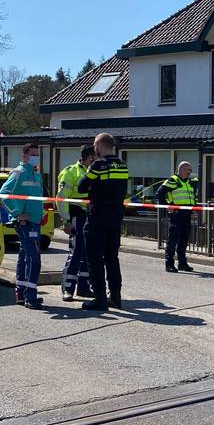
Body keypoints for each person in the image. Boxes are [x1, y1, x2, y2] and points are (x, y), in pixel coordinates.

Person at [79, 133, 130, 311]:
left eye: (95, 145)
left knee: (95, 259)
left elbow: (81, 186)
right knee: (112, 258)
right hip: (115, 218)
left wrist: (93, 181)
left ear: (100, 145)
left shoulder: (98, 165)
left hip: (97, 217)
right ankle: (115, 297)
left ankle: (100, 298)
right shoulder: (122, 165)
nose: (94, 148)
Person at [0, 143, 45, 309]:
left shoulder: (36, 175)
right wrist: (17, 213)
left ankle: (22, 293)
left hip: (34, 221)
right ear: (25, 155)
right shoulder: (19, 172)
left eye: (37, 154)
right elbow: (3, 195)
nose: (36, 157)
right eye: (33, 154)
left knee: (24, 256)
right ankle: (30, 296)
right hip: (25, 223)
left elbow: (36, 197)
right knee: (34, 259)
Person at [56, 146, 97, 302]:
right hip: (76, 217)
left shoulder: (93, 172)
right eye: (94, 158)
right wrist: (66, 221)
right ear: (90, 158)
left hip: (89, 217)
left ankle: (84, 287)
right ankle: (68, 288)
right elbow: (61, 197)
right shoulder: (71, 172)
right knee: (76, 252)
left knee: (88, 253)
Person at [157, 161, 198, 273]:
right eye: (188, 169)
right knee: (173, 240)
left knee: (184, 240)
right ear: (181, 169)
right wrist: (167, 206)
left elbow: (191, 197)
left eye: (190, 170)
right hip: (177, 215)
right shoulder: (173, 180)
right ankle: (169, 264)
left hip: (187, 214)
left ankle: (182, 263)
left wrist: (194, 209)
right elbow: (160, 193)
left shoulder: (188, 182)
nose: (190, 172)